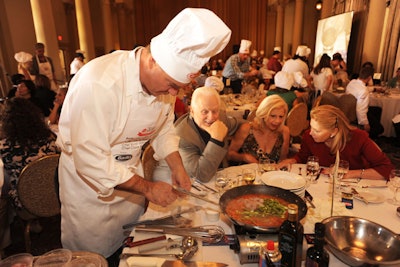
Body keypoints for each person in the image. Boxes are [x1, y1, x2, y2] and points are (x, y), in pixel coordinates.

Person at [55, 7, 231, 265]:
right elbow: (90, 159)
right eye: (171, 84)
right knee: (94, 257)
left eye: (178, 87)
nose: (172, 92)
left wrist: (176, 165)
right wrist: (147, 187)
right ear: (151, 60)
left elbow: (164, 128)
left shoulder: (164, 83)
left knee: (133, 249)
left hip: (131, 181)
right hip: (91, 190)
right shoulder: (99, 83)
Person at [0, 98, 59, 250]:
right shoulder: (50, 139)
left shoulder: (4, 147)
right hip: (56, 196)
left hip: (25, 202)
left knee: (5, 188)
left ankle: (17, 235)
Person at [278, 105, 393, 180]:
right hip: (323, 186)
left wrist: (349, 174)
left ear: (334, 131)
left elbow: (386, 169)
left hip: (355, 188)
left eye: (317, 130)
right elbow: (302, 157)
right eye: (311, 127)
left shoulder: (358, 138)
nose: (310, 133)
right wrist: (291, 160)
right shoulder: (309, 137)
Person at [173, 86, 241, 182]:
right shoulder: (181, 135)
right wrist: (216, 140)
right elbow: (200, 176)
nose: (211, 117)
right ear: (192, 111)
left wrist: (234, 148)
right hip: (195, 187)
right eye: (204, 112)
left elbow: (243, 124)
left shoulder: (221, 118)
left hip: (222, 177)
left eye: (215, 111)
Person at [227, 95, 290, 164]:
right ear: (263, 114)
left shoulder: (284, 132)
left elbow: (282, 161)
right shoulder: (247, 129)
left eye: (281, 117)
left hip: (271, 173)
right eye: (273, 116)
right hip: (247, 173)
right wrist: (243, 157)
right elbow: (229, 154)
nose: (277, 121)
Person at [346, 66, 374, 133]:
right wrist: (365, 124)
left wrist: (373, 89)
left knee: (376, 110)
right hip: (356, 116)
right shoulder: (364, 91)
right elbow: (360, 110)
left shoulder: (352, 82)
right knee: (379, 128)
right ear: (369, 78)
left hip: (348, 111)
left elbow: (361, 88)